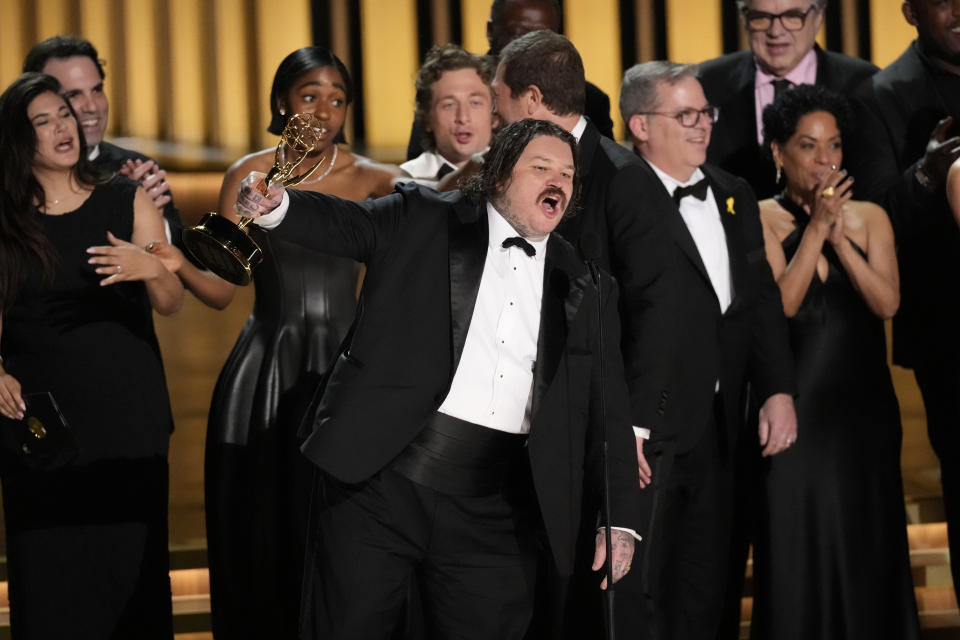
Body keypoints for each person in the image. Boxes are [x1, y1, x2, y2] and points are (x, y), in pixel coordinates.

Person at [234, 118, 642, 639]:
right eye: (541, 167)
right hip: (381, 480)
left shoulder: (585, 282)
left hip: (495, 506)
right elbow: (350, 225)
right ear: (498, 177)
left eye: (567, 173)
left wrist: (620, 518)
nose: (558, 181)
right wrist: (279, 208)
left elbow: (609, 407)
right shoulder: (425, 218)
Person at [204, 46, 400, 640]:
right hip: (264, 370)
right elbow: (219, 288)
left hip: (346, 369)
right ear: (281, 102)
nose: (323, 110)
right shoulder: (249, 173)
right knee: (262, 529)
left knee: (339, 532)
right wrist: (164, 260)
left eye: (337, 99)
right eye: (309, 95)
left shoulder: (377, 180)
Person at [491, 30, 674, 637]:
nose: (496, 119)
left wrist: (634, 429)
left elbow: (657, 311)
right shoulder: (510, 168)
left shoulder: (622, 177)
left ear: (534, 97)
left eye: (500, 105)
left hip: (602, 423)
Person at [0, 72, 184, 638]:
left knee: (132, 577)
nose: (65, 127)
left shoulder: (124, 198)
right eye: (45, 120)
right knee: (54, 582)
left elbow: (172, 300)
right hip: (45, 426)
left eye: (66, 114)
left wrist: (154, 267)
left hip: (129, 423)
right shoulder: (6, 222)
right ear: (17, 140)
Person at [619, 61, 796, 640]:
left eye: (706, 113)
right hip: (650, 432)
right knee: (643, 587)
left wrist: (775, 389)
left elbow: (760, 299)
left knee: (706, 584)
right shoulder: (618, 196)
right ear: (640, 125)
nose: (702, 126)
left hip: (721, 426)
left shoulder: (733, 193)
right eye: (686, 114)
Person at [751, 84, 919, 639]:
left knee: (869, 548)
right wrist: (816, 231)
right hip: (795, 417)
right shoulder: (760, 219)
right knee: (796, 549)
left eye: (835, 147)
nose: (826, 161)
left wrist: (841, 239)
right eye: (809, 147)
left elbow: (888, 304)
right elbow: (781, 308)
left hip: (863, 417)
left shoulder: (870, 217)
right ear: (778, 152)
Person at [850, 0, 960, 602]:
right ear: (911, 11)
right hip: (951, 336)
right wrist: (924, 175)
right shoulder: (880, 96)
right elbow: (873, 219)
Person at [22, 35, 233, 309]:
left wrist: (151, 220)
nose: (92, 107)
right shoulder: (12, 176)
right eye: (72, 95)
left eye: (97, 90)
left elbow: (175, 293)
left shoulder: (139, 171)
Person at [698, 0, 877, 200]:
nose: (776, 31)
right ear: (744, 19)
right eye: (761, 18)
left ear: (819, 17)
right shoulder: (705, 84)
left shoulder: (865, 85)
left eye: (793, 16)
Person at [405, 0, 614, 161]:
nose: (532, 47)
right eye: (519, 34)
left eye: (542, 35)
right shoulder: (449, 86)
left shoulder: (589, 100)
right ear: (490, 32)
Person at [397, 44, 496, 187]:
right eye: (449, 105)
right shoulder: (403, 181)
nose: (463, 118)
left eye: (475, 103)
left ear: (494, 115)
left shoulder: (517, 173)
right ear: (427, 118)